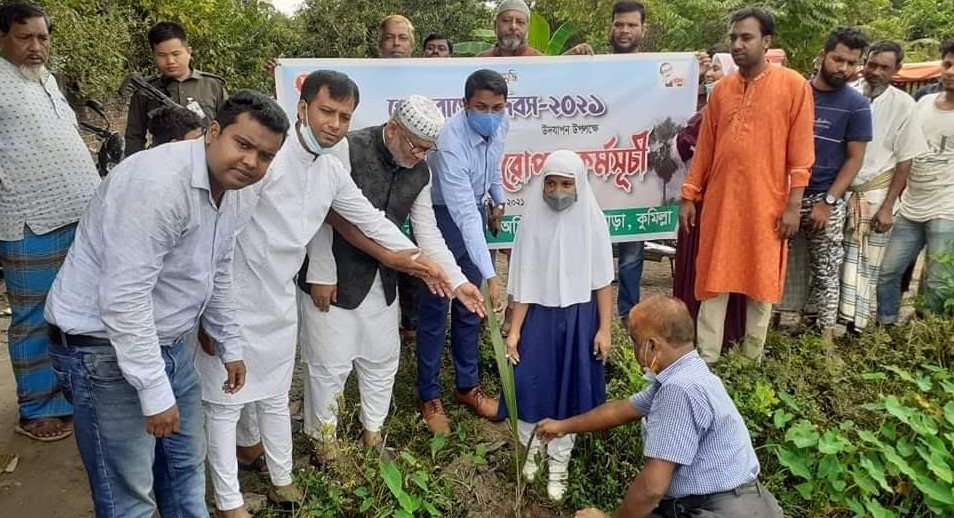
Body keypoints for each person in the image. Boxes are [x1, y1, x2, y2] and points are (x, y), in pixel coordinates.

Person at [192, 72, 447, 517]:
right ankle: (229, 502)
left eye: (344, 116)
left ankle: (282, 481)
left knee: (273, 393)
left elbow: (368, 219)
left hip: (280, 296)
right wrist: (210, 314)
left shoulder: (330, 168)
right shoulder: (269, 159)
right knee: (224, 402)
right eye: (327, 111)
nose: (334, 124)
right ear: (303, 107)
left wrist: (417, 259)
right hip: (232, 293)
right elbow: (220, 240)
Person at [45, 90, 286, 518]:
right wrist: (154, 392)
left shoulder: (232, 187)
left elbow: (217, 265)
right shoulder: (156, 185)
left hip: (170, 345)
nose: (252, 162)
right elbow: (123, 299)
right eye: (243, 144)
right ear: (213, 132)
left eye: (265, 156)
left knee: (185, 475)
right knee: (130, 499)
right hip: (102, 352)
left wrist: (230, 342)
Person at [298, 96, 484, 462]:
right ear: (394, 128)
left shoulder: (420, 171)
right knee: (328, 365)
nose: (420, 156)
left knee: (381, 359)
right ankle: (325, 445)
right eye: (416, 147)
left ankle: (373, 433)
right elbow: (319, 214)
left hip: (382, 279)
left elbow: (427, 232)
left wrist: (458, 282)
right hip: (334, 276)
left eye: (428, 151)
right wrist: (321, 269)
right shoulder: (346, 149)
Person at [537, 296, 783, 518]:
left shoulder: (679, 390)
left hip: (717, 510)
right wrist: (563, 426)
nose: (634, 350)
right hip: (749, 504)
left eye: (635, 341)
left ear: (652, 346)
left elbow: (652, 489)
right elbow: (620, 411)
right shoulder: (688, 373)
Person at [679, 7, 815, 364]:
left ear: (766, 42)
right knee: (713, 276)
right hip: (721, 203)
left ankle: (750, 360)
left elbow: (801, 155)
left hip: (767, 203)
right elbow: (705, 148)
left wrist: (792, 205)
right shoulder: (722, 90)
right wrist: (690, 195)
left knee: (761, 282)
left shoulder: (794, 87)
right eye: (734, 38)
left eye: (747, 37)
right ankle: (707, 358)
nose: (738, 45)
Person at [0, 1, 100, 442]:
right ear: (2, 37)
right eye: (26, 37)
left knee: (73, 312)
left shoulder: (47, 80)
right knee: (33, 317)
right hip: (26, 221)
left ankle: (70, 393)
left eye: (43, 37)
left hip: (78, 217)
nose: (37, 47)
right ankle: (37, 407)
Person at [503, 150, 614, 501]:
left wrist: (605, 329)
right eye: (551, 183)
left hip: (580, 321)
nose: (558, 191)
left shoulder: (593, 222)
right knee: (529, 385)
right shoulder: (531, 221)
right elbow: (524, 281)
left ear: (579, 185)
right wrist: (516, 330)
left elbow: (602, 282)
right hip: (538, 321)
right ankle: (532, 449)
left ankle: (559, 463)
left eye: (566, 184)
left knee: (570, 392)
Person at [418, 69, 510, 434]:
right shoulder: (449, 142)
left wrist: (498, 199)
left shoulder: (501, 122)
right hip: (443, 216)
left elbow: (494, 165)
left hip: (474, 211)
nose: (489, 114)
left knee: (471, 309)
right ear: (464, 104)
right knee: (437, 307)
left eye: (497, 107)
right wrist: (491, 274)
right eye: (481, 107)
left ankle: (466, 387)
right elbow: (461, 212)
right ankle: (428, 394)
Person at [786, 27, 871, 344]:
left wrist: (829, 202)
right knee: (781, 266)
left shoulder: (857, 105)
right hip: (787, 196)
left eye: (851, 63)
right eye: (838, 59)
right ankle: (774, 331)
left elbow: (854, 159)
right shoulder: (797, 93)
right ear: (822, 56)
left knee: (826, 269)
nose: (844, 69)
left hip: (824, 197)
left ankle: (823, 340)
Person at [839, 41, 927, 331]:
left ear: (896, 70)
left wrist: (888, 206)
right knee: (835, 263)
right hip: (840, 193)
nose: (875, 72)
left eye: (884, 67)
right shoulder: (847, 94)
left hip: (877, 195)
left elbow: (905, 160)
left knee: (868, 266)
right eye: (872, 64)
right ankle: (828, 324)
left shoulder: (905, 105)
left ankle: (858, 328)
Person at [877, 38, 954, 322]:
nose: (951, 71)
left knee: (937, 281)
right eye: (947, 64)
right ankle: (885, 326)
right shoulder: (922, 103)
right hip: (910, 207)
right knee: (888, 271)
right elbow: (905, 153)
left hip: (947, 209)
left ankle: (925, 334)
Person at [125, 21, 227, 154]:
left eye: (176, 54)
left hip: (206, 160)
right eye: (162, 55)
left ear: (189, 52)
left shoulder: (212, 86)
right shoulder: (144, 91)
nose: (170, 61)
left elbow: (227, 127)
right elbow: (134, 137)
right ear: (153, 55)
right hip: (164, 164)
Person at [477, 0, 592, 58]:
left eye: (520, 22)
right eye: (506, 20)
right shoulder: (479, 62)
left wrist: (575, 56)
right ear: (495, 25)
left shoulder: (538, 60)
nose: (513, 26)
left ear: (528, 28)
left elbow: (557, 74)